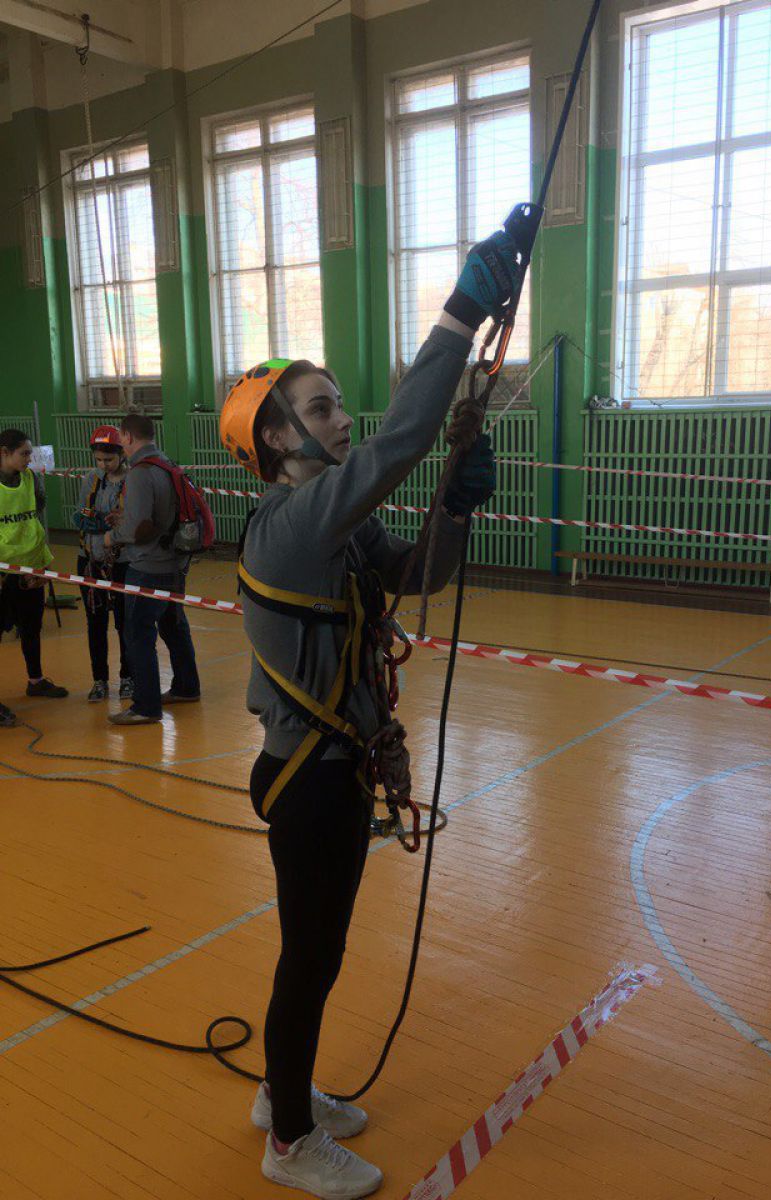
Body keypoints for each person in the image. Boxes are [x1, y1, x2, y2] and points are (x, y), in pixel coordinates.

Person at [220, 222, 521, 1198]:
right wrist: (460, 314)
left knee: (318, 953)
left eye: (341, 401)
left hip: (332, 770)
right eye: (322, 407)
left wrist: (455, 510)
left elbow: (416, 574)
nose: (344, 418)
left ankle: (282, 1092)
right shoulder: (293, 524)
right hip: (310, 780)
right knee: (311, 959)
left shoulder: (342, 529)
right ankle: (288, 1140)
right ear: (277, 439)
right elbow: (402, 439)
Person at [103, 413, 200, 725]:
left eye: (121, 437)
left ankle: (145, 706)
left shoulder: (140, 473)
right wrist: (127, 519)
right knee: (173, 625)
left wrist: (113, 535)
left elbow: (140, 528)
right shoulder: (167, 464)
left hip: (148, 566)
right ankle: (186, 687)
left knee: (138, 632)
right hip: (174, 563)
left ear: (128, 437)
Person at [0, 428, 68, 727]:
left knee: (31, 628)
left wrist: (43, 567)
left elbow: (35, 523)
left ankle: (36, 680)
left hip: (29, 569)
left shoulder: (30, 480)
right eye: (24, 453)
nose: (30, 458)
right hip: (3, 573)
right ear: (4, 453)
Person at [72, 425, 133, 703]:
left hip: (122, 562)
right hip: (90, 560)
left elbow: (132, 520)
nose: (103, 465)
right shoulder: (92, 479)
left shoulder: (132, 481)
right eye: (98, 459)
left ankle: (128, 677)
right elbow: (82, 511)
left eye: (108, 459)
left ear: (121, 454)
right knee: (95, 622)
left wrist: (115, 521)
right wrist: (94, 517)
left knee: (124, 622)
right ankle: (99, 680)